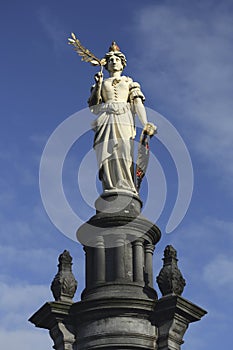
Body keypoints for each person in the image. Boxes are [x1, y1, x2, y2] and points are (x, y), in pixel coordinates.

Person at [88, 42, 156, 193]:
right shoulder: (102, 82)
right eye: (111, 60)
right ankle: (109, 186)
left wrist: (145, 123)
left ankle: (125, 185)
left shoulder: (129, 82)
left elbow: (137, 103)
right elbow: (94, 107)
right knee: (106, 152)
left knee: (124, 149)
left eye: (117, 59)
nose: (113, 62)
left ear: (122, 63)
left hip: (124, 117)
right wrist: (98, 85)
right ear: (106, 65)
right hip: (106, 118)